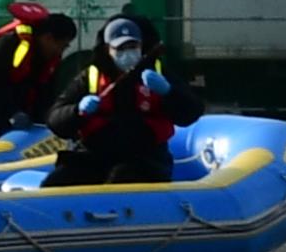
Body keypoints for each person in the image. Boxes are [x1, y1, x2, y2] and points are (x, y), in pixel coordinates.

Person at [43, 13, 202, 187]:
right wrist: (77, 111)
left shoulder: (157, 74)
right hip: (93, 155)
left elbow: (191, 113)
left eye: (132, 46)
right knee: (55, 182)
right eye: (119, 48)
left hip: (145, 159)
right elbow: (55, 119)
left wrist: (169, 92)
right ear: (107, 49)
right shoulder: (90, 77)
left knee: (123, 177)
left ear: (142, 46)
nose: (127, 53)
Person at [0, 1, 76, 146]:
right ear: (48, 38)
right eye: (61, 46)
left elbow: (45, 90)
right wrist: (11, 112)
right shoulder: (7, 44)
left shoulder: (48, 57)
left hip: (14, 109)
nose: (61, 51)